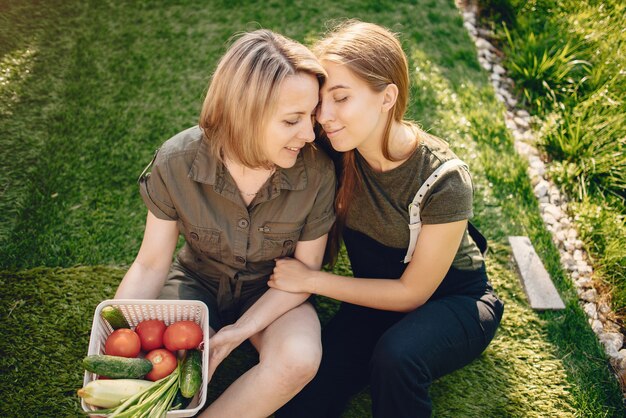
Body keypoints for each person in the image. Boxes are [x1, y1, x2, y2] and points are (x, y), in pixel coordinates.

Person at [270, 21, 504, 418]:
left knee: (396, 358)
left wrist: (310, 280)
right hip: (374, 298)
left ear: (387, 97)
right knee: (310, 383)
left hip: (454, 300)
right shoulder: (334, 149)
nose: (323, 116)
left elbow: (412, 293)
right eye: (320, 103)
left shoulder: (444, 179)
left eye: (341, 98)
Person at [114, 29, 336, 417]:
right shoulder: (176, 161)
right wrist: (117, 336)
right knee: (170, 368)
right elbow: (151, 263)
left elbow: (306, 272)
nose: (309, 133)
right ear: (244, 114)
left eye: (311, 115)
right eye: (292, 120)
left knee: (299, 358)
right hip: (195, 282)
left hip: (275, 294)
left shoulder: (316, 173)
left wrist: (239, 331)